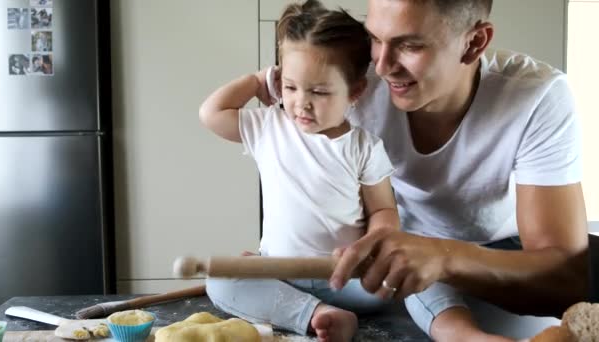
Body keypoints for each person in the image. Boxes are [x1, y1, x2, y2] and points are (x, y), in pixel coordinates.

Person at [328, 0, 589, 341]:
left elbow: (565, 276)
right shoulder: (356, 82)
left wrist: (443, 257)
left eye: (409, 45)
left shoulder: (536, 96)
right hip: (402, 251)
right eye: (375, 38)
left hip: (504, 253)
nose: (382, 66)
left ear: (474, 43)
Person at [199, 1, 401, 340]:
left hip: (343, 276)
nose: (301, 103)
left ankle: (311, 309)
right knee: (219, 277)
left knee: (389, 285)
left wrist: (368, 246)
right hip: (278, 272)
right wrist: (255, 80)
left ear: (355, 91)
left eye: (319, 92)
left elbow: (383, 210)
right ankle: (318, 315)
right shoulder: (269, 127)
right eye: (290, 87)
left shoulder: (364, 146)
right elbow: (211, 113)